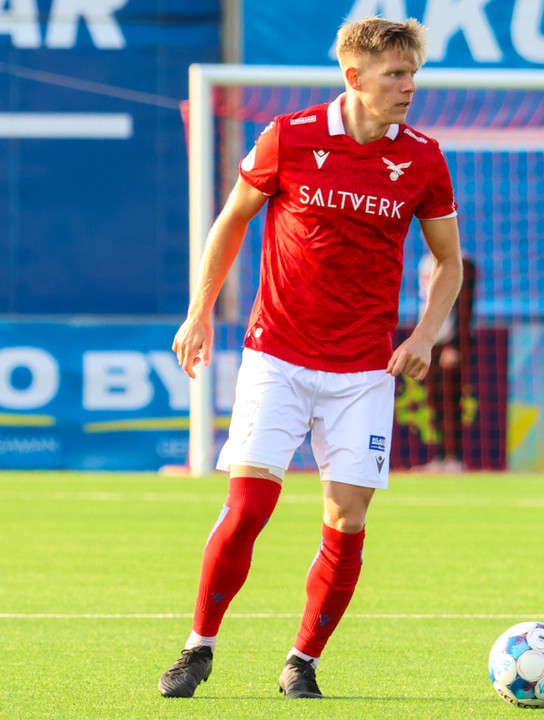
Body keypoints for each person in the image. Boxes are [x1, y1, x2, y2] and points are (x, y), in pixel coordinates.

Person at [158, 17, 463, 700]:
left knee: (347, 520)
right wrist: (199, 311)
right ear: (354, 77)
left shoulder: (423, 158)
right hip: (277, 355)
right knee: (248, 508)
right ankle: (198, 647)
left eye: (412, 74)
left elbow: (448, 262)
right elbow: (233, 218)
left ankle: (302, 661)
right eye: (395, 75)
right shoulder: (289, 136)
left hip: (364, 372)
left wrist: (423, 336)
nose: (408, 87)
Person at [413, 253, 476, 472]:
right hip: (430, 342)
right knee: (435, 400)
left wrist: (456, 344)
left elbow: (465, 307)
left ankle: (454, 458)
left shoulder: (462, 261)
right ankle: (440, 456)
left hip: (450, 342)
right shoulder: (424, 263)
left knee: (451, 401)